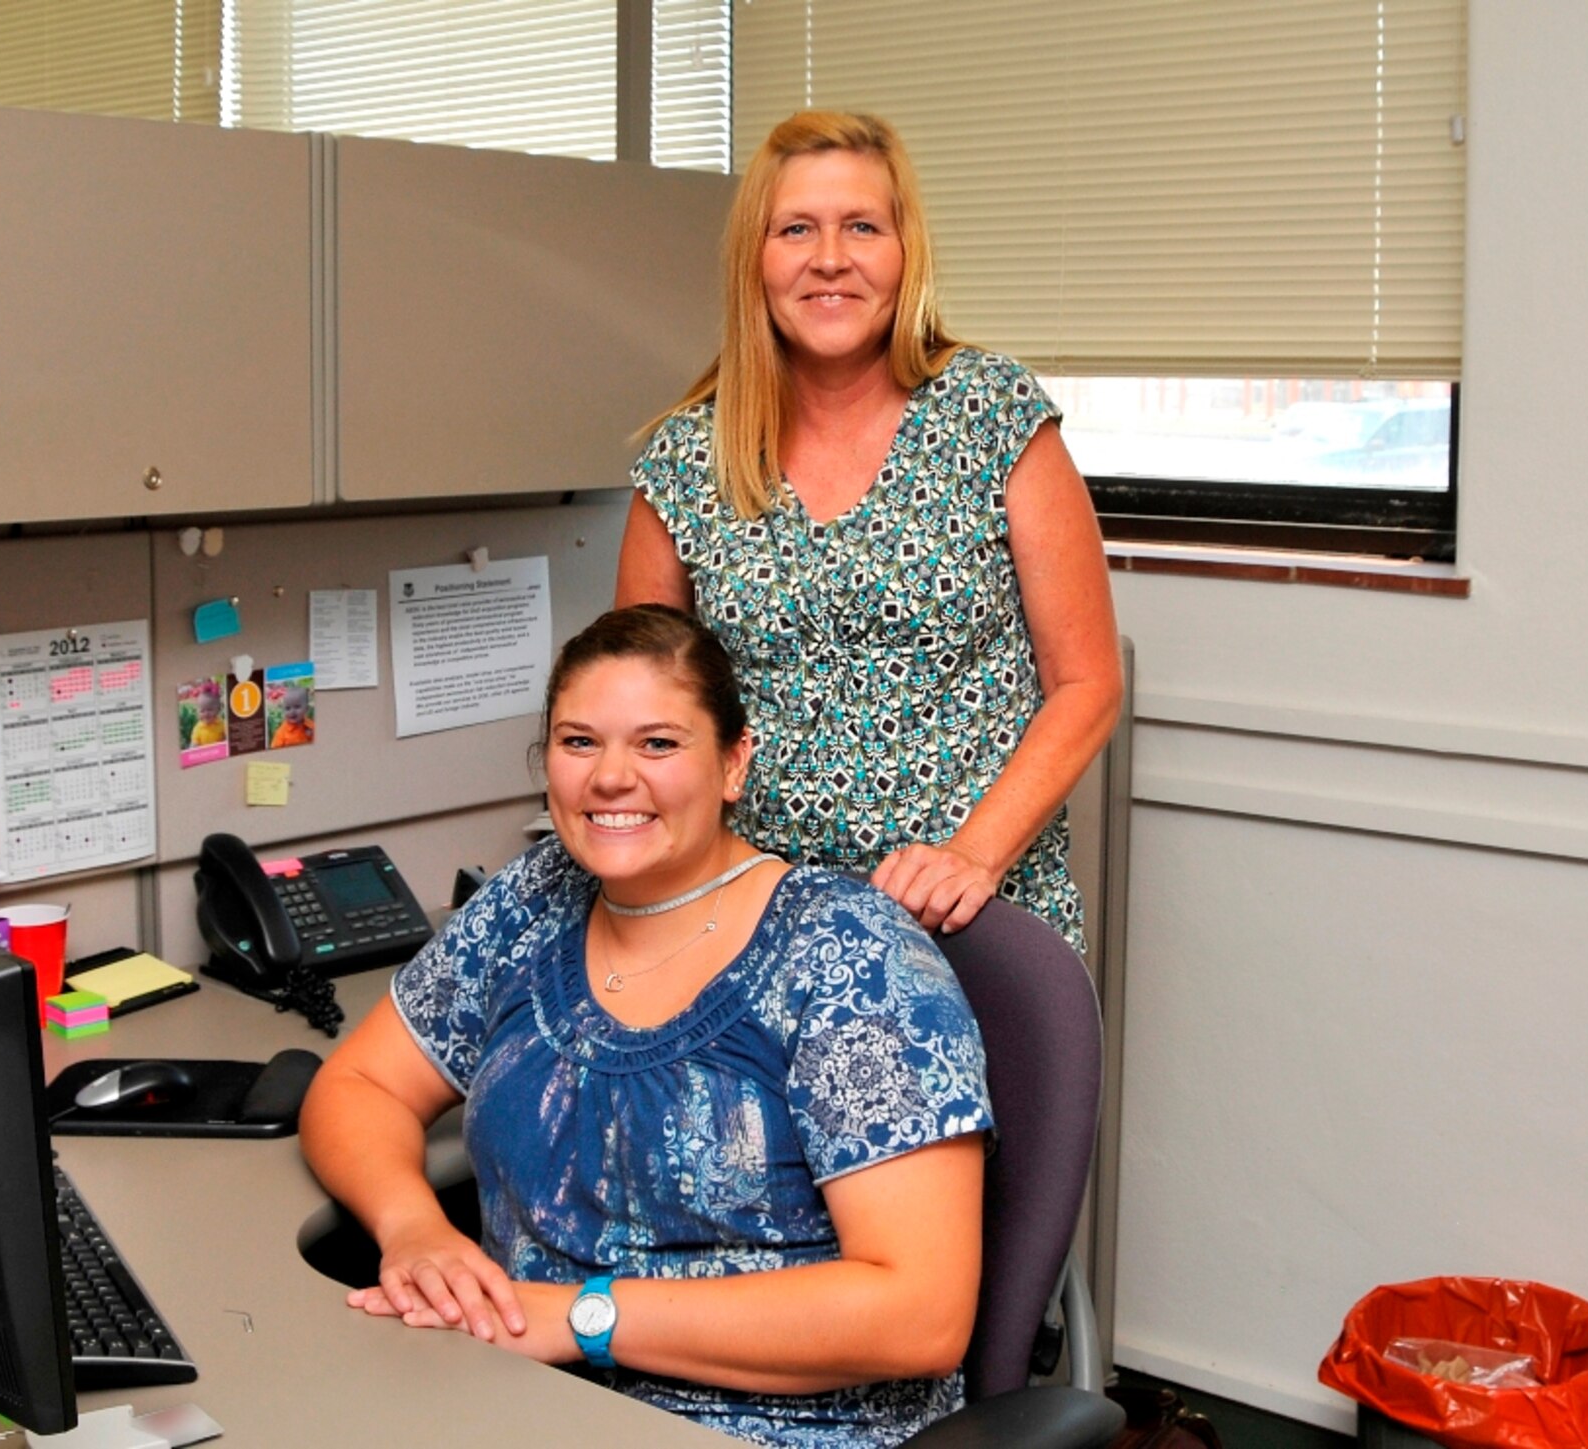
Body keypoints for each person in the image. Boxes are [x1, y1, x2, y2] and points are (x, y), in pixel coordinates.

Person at [300, 605, 993, 1447]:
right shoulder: (533, 900)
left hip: (780, 1428)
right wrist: (413, 1228)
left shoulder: (849, 953)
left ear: (734, 762)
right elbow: (359, 1083)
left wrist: (583, 1316)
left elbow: (918, 1314)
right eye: (578, 742)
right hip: (520, 1399)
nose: (610, 778)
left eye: (658, 743)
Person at [617, 111, 1122, 949]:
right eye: (795, 229)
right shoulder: (687, 457)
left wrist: (972, 856)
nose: (830, 258)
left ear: (903, 251)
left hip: (968, 918)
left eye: (861, 226)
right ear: (754, 258)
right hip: (760, 925)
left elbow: (1086, 683)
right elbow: (638, 711)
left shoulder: (990, 413)